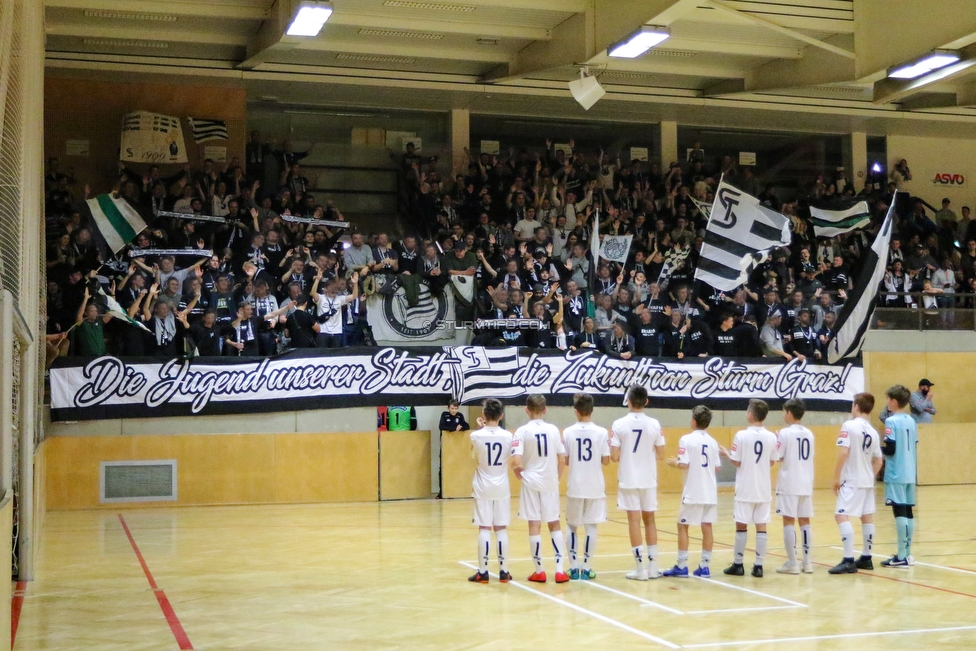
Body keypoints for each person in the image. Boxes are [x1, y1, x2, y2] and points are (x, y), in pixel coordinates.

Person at [611, 384, 666, 580]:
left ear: (628, 401)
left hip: (628, 478)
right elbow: (661, 453)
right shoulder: (655, 424)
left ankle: (640, 569)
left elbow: (614, 457)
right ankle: (653, 567)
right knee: (650, 520)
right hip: (648, 478)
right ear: (646, 402)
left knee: (633, 521)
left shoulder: (618, 424)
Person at [511, 395, 568, 584]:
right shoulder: (553, 430)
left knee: (534, 523)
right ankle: (560, 570)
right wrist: (555, 477)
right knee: (554, 523)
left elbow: (516, 462)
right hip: (550, 481)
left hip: (531, 482)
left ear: (526, 410)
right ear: (545, 410)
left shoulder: (521, 431)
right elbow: (562, 459)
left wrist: (519, 472)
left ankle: (539, 571)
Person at [720, 399, 777, 578]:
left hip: (745, 487)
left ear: (750, 415)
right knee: (761, 527)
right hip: (763, 487)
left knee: (741, 525)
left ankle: (738, 564)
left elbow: (736, 461)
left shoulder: (741, 436)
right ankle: (758, 565)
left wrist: (726, 454)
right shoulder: (771, 436)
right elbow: (772, 461)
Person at [662, 405, 721, 577]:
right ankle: (705, 565)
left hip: (693, 491)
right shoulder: (713, 442)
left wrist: (675, 463)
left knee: (682, 525)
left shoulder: (686, 439)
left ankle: (681, 565)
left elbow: (684, 464)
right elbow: (717, 468)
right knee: (707, 526)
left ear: (693, 421)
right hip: (710, 491)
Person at [828, 392, 883, 574]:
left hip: (852, 479)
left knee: (840, 515)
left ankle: (848, 559)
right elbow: (878, 461)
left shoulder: (849, 426)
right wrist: (869, 476)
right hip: (867, 480)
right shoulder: (873, 431)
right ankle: (867, 557)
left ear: (856, 407)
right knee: (866, 516)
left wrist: (836, 477)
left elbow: (844, 452)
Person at [560, 392, 610, 580]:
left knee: (572, 526)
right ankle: (587, 567)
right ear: (592, 410)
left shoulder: (568, 432)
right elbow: (606, 461)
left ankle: (574, 567)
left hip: (575, 484)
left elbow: (565, 460)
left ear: (576, 411)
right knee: (591, 527)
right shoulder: (602, 432)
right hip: (595, 486)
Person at [467, 398, 514, 584]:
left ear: (483, 415)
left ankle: (483, 571)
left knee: (484, 528)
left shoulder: (475, 436)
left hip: (482, 486)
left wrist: (480, 429)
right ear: (501, 416)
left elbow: (474, 456)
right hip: (501, 486)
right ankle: (504, 571)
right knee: (500, 528)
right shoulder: (509, 436)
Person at [773, 398, 816, 575]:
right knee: (805, 521)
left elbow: (778, 456)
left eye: (784, 412)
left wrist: (777, 440)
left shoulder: (785, 433)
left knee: (788, 521)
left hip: (789, 482)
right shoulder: (809, 433)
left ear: (789, 413)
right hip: (806, 481)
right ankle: (807, 562)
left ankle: (792, 563)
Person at [880, 385, 918, 568]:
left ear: (894, 401)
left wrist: (875, 450)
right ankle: (907, 553)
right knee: (909, 511)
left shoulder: (891, 421)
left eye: (888, 399)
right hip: (911, 471)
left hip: (896, 472)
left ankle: (901, 556)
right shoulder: (911, 420)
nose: (887, 402)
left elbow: (891, 448)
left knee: (899, 511)